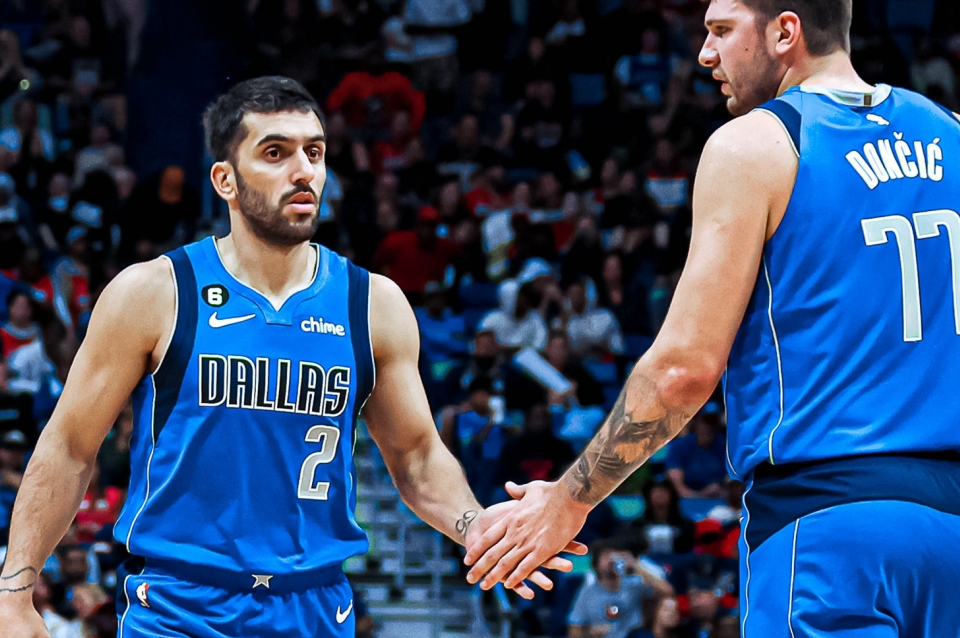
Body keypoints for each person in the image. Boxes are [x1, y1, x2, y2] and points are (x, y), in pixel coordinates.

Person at [0, 76, 581, 638]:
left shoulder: (372, 304)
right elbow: (69, 446)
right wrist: (14, 593)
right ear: (225, 180)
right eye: (275, 153)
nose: (303, 170)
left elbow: (416, 456)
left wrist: (474, 523)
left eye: (314, 152)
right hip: (180, 608)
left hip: (315, 607)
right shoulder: (154, 292)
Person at [465, 1, 960, 636]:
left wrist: (568, 500)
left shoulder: (757, 144)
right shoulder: (949, 130)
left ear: (785, 31)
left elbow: (685, 370)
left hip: (829, 524)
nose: (705, 53)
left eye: (722, 30)